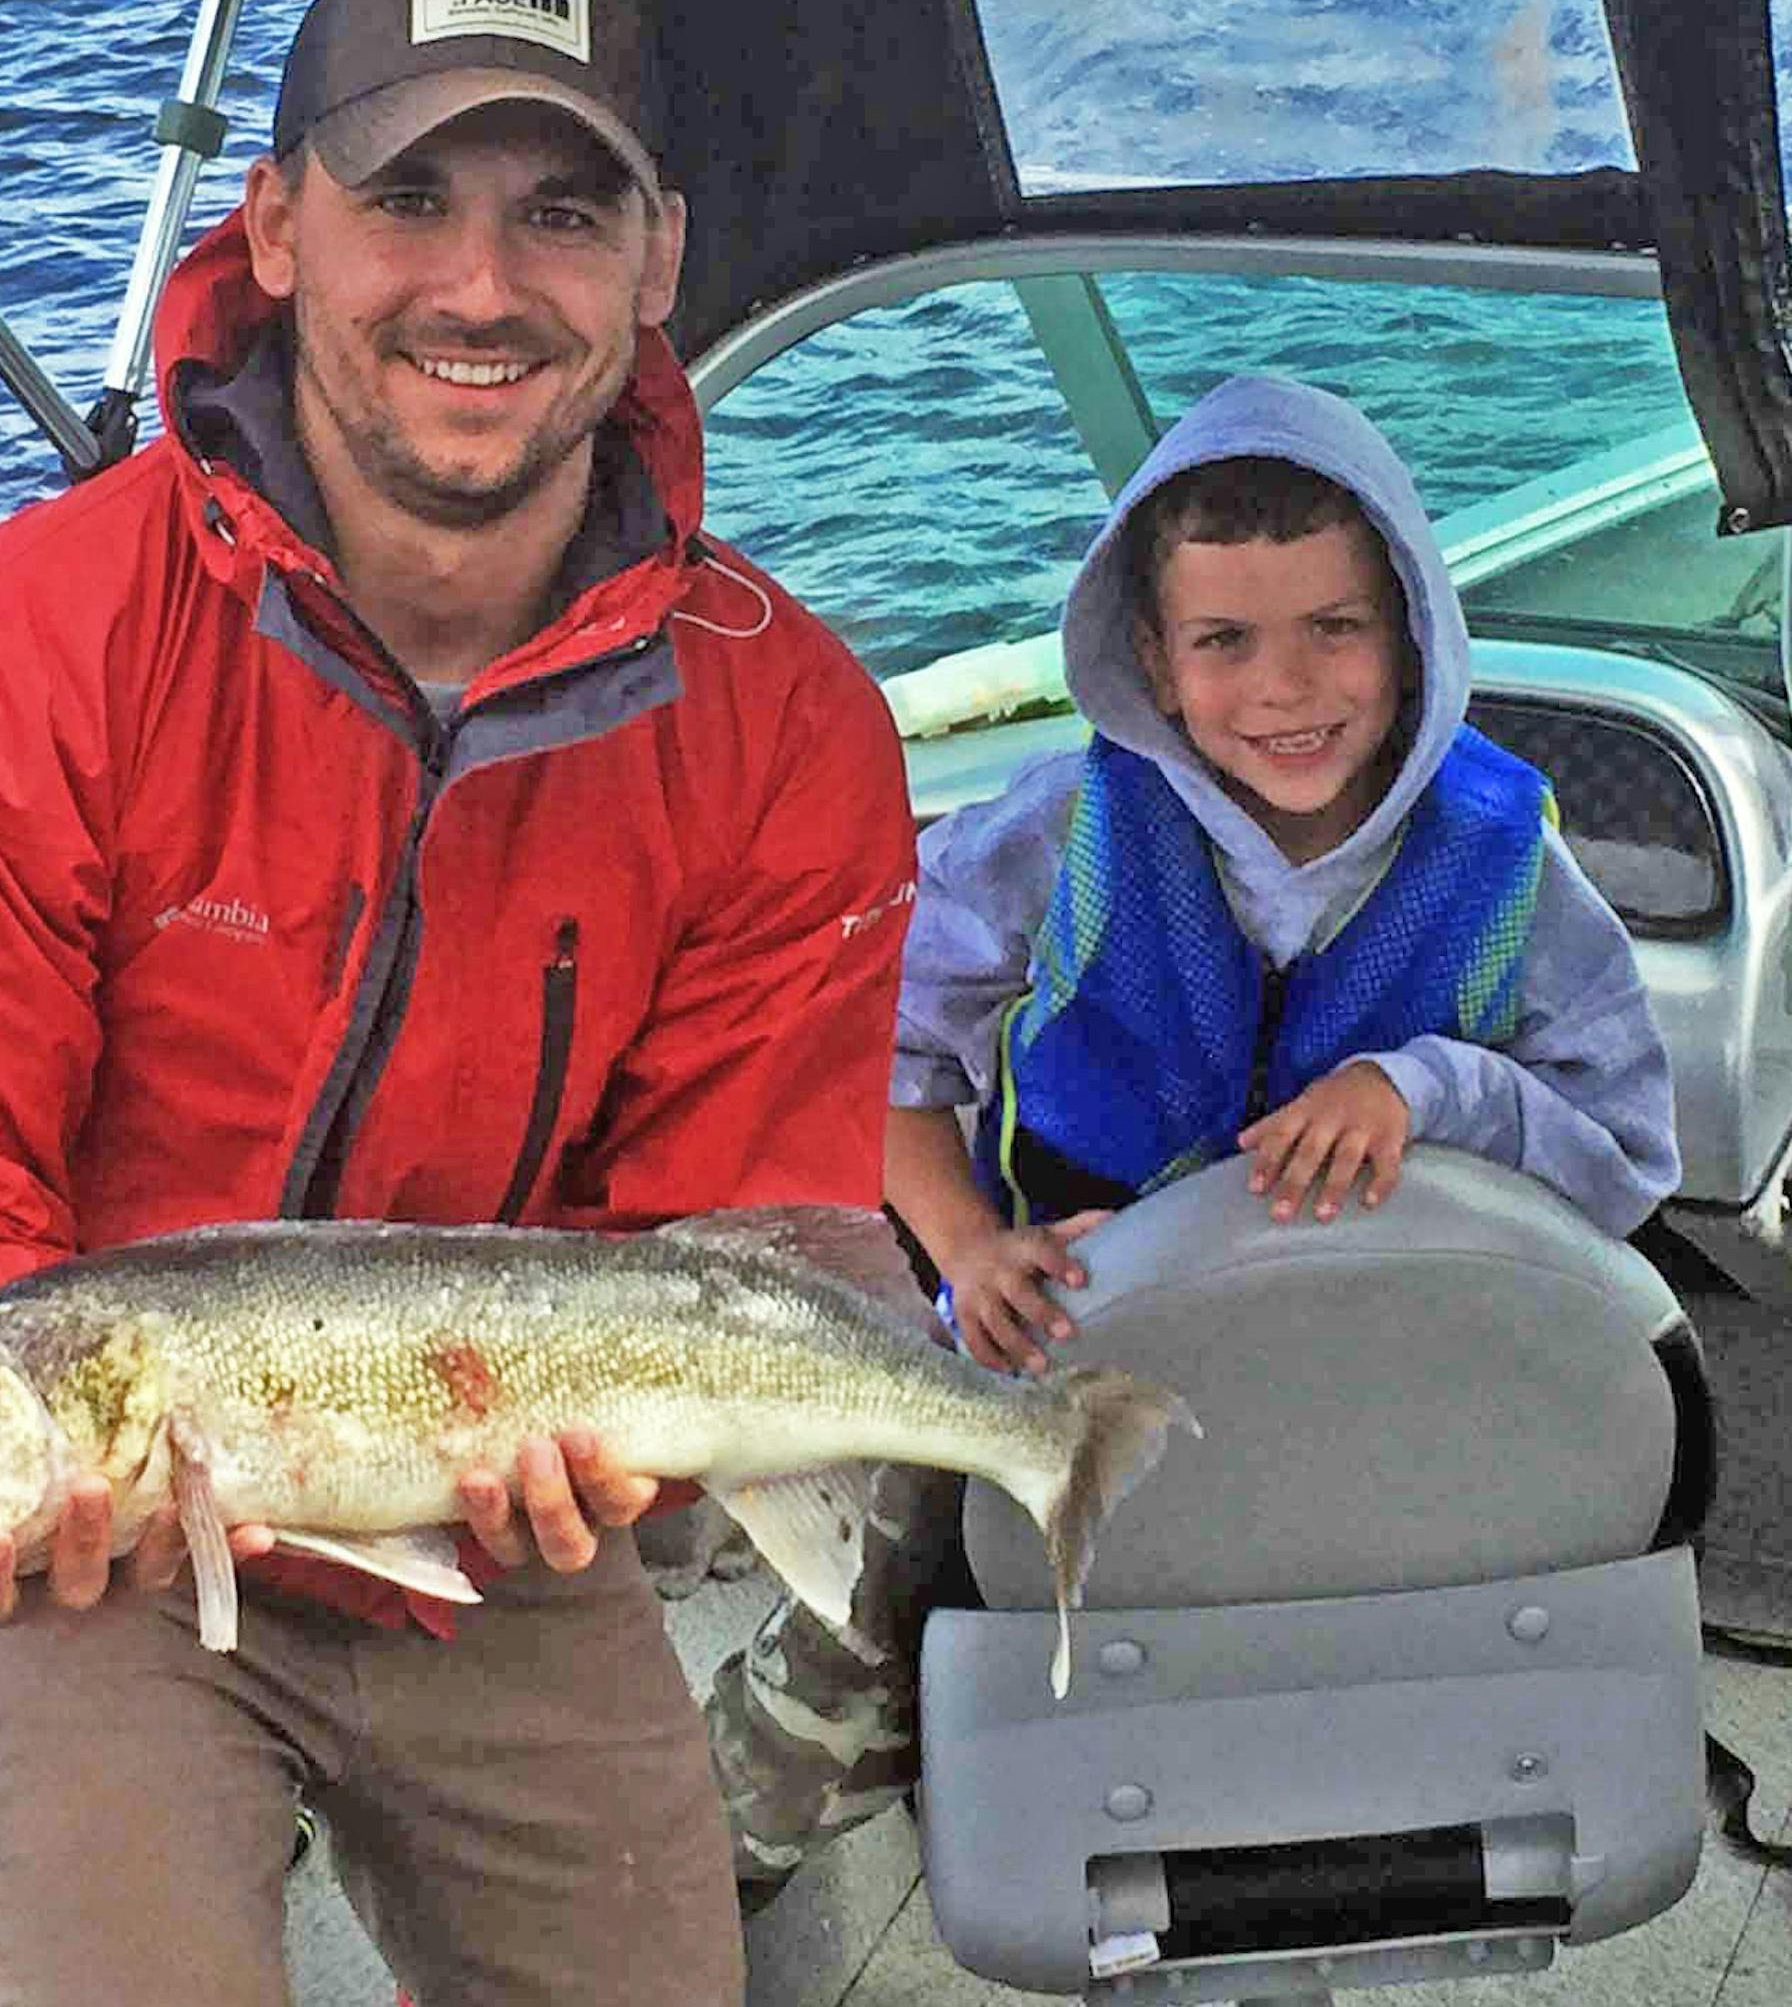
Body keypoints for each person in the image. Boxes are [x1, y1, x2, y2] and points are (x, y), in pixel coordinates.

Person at [0, 0, 916, 2005]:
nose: (480, 286)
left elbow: (739, 1229)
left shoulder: (791, 725)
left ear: (658, 265)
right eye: (408, 200)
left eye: (563, 210)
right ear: (275, 226)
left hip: (494, 1526)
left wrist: (619, 1488)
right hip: (69, 1542)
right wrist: (4, 1445)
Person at [707, 369, 1679, 1890]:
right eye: (1226, 642)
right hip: (1063, 1349)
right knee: (864, 1628)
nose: (1286, 690)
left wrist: (1428, 1088)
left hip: (1374, 1366)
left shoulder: (1516, 872)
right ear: (1153, 663)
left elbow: (1626, 1164)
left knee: (1343, 1658)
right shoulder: (1054, 831)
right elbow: (874, 1070)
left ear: (1413, 630)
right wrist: (970, 1248)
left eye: (1335, 629)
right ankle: (721, 1860)